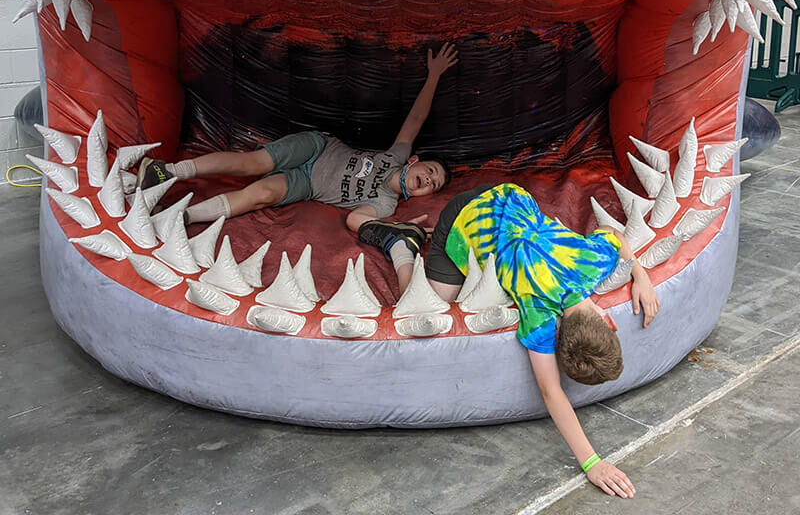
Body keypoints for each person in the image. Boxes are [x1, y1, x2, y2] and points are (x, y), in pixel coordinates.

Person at [361, 182, 660, 499]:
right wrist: (592, 462)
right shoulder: (539, 312)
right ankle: (401, 245)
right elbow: (550, 390)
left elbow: (611, 234)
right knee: (421, 306)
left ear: (606, 321)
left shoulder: (592, 262)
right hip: (464, 216)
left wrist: (641, 276)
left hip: (509, 194)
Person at [138, 44, 459, 289]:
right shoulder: (397, 157)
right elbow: (415, 119)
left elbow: (355, 221)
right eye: (430, 171)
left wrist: (397, 235)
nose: (429, 180)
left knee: (261, 193)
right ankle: (167, 171)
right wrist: (434, 75)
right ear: (415, 162)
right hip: (317, 147)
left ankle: (182, 217)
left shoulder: (385, 204)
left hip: (309, 184)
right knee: (252, 163)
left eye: (435, 184)